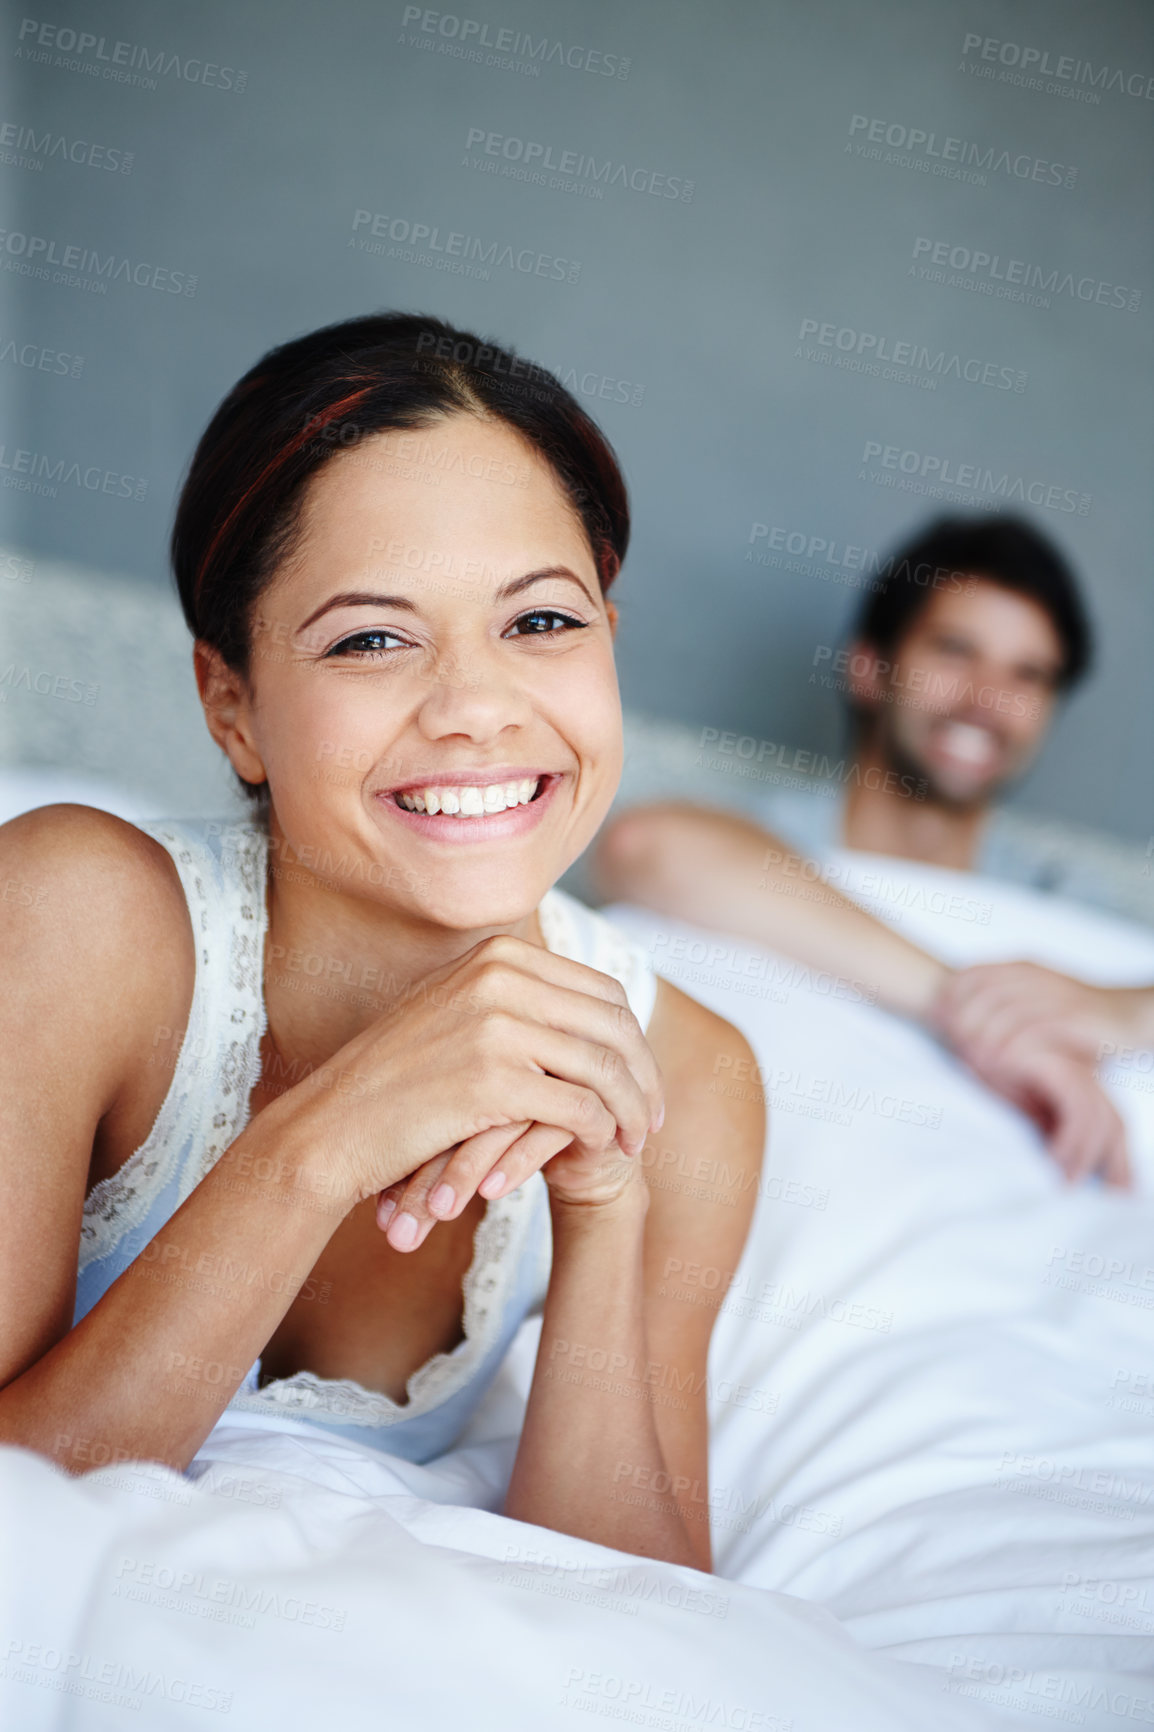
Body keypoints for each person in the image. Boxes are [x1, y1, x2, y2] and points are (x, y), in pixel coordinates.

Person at [0, 312, 765, 1573]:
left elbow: (642, 1614)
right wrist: (327, 1136)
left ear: (608, 646)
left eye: (539, 624)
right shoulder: (73, 918)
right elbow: (21, 1492)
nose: (475, 709)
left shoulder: (694, 1077)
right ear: (230, 706)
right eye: (371, 638)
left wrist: (603, 1203)